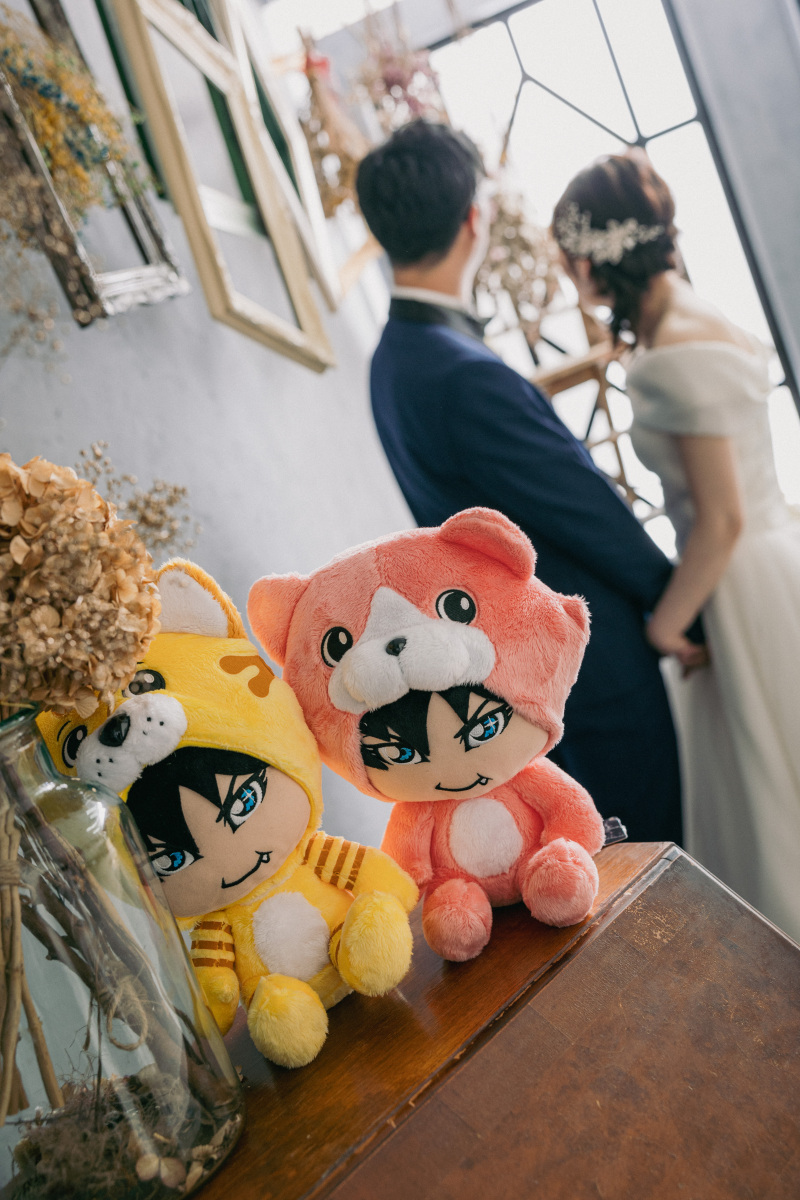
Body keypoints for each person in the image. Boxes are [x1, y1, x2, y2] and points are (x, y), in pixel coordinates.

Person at [355, 120, 688, 845]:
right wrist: (677, 604)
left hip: (513, 669)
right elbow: (584, 508)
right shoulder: (463, 373)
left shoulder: (390, 363)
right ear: (472, 220)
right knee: (655, 853)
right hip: (593, 668)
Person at [552, 151, 800, 941]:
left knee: (771, 782)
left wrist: (664, 626)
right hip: (777, 555)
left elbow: (720, 519)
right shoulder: (702, 315)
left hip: (737, 580)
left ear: (592, 258)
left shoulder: (668, 359)